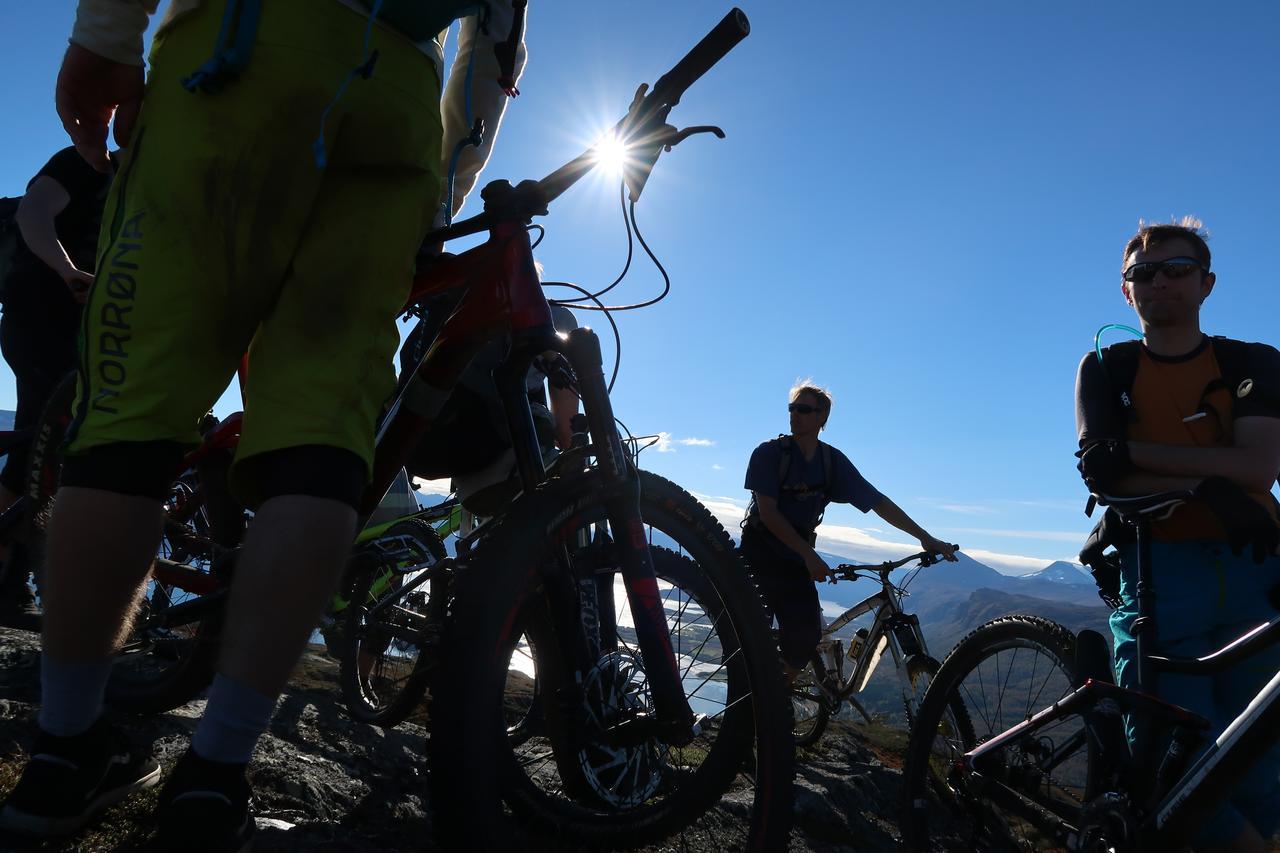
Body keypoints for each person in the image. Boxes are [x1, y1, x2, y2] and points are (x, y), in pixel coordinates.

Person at [0, 1, 525, 849]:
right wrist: (440, 188)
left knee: (131, 426)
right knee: (321, 447)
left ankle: (65, 752)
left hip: (236, 53)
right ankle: (213, 778)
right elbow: (496, 30)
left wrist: (104, 39)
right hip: (393, 88)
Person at [1075, 219, 1280, 853]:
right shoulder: (1108, 367)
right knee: (1172, 761)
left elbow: (1260, 467)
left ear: (1207, 283)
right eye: (1144, 272)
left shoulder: (1251, 362)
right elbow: (1101, 468)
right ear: (1126, 291)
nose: (1159, 280)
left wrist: (1140, 454)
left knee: (1262, 760)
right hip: (1161, 574)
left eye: (1178, 269)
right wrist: (1205, 483)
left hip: (1258, 571)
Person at [740, 381, 957, 682]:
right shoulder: (768, 454)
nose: (795, 415)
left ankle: (774, 694)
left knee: (804, 638)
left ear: (822, 417)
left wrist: (924, 537)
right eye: (792, 408)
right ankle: (747, 703)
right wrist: (810, 557)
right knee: (747, 638)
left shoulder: (831, 463)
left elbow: (878, 501)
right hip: (760, 552)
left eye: (804, 409)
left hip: (795, 557)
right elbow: (768, 514)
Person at [0, 146, 113, 630]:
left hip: (84, 336)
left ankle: (23, 576)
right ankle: (8, 580)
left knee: (56, 453)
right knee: (36, 443)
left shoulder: (147, 190)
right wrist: (67, 270)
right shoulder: (81, 162)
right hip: (39, 318)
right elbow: (33, 213)